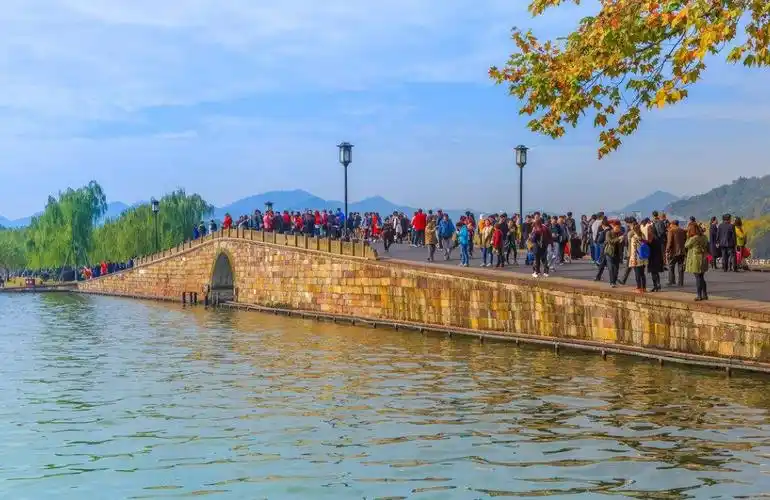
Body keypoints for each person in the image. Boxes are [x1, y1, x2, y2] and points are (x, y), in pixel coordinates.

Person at [685, 222, 710, 301]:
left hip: (696, 259)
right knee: (702, 277)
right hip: (703, 258)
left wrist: (688, 237)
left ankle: (699, 295)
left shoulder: (693, 238)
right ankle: (705, 294)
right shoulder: (704, 237)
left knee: (698, 277)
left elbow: (686, 245)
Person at [628, 221, 648, 293]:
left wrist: (634, 260)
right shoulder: (643, 236)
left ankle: (639, 288)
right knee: (642, 274)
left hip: (637, 258)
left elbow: (633, 250)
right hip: (643, 258)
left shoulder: (634, 238)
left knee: (637, 274)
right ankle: (644, 288)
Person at [665, 220, 687, 287]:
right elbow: (685, 240)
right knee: (680, 267)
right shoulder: (682, 230)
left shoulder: (671, 231)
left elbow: (669, 242)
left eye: (670, 224)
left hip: (673, 252)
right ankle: (681, 282)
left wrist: (667, 250)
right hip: (682, 251)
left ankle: (671, 281)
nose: (670, 225)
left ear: (673, 224)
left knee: (671, 266)